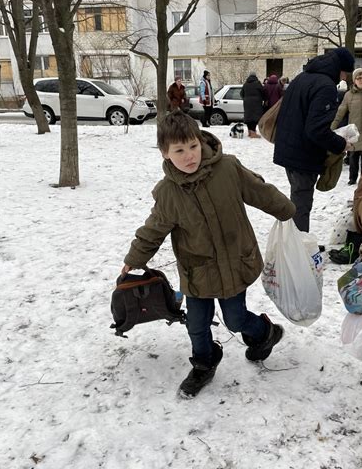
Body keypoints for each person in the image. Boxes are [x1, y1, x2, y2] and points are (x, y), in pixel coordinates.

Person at [121, 111, 295, 398]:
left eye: (193, 146)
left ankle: (265, 333)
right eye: (179, 150)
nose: (190, 155)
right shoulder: (168, 194)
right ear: (165, 154)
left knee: (235, 319)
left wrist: (287, 211)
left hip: (234, 262)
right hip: (197, 271)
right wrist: (135, 258)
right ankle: (204, 362)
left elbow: (259, 191)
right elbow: (153, 229)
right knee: (196, 324)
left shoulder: (227, 168)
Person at [273, 47, 355, 232]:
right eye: (345, 74)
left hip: (289, 149)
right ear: (340, 68)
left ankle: (295, 245)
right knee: (301, 206)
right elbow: (316, 129)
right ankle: (298, 249)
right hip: (303, 155)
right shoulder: (325, 86)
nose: (344, 79)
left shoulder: (302, 77)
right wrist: (341, 144)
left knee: (297, 200)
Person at [240, 72, 266, 138]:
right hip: (256, 103)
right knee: (254, 117)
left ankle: (250, 132)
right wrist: (263, 99)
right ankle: (253, 133)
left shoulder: (245, 84)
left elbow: (241, 94)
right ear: (255, 76)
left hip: (247, 103)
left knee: (249, 117)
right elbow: (263, 93)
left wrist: (245, 99)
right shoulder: (258, 83)